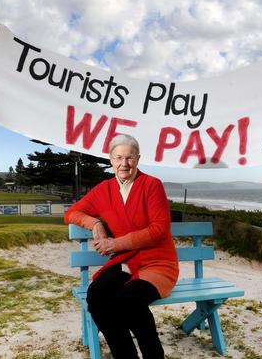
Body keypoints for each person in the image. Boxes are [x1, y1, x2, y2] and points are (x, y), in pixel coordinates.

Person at [64, 134, 178, 359]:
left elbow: (159, 230)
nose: (124, 164)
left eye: (129, 158)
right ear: (110, 159)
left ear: (138, 158)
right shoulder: (103, 190)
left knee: (129, 300)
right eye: (118, 158)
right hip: (125, 263)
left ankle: (154, 356)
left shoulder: (151, 185)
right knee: (96, 296)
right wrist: (95, 223)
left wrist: (114, 243)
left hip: (158, 263)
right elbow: (72, 213)